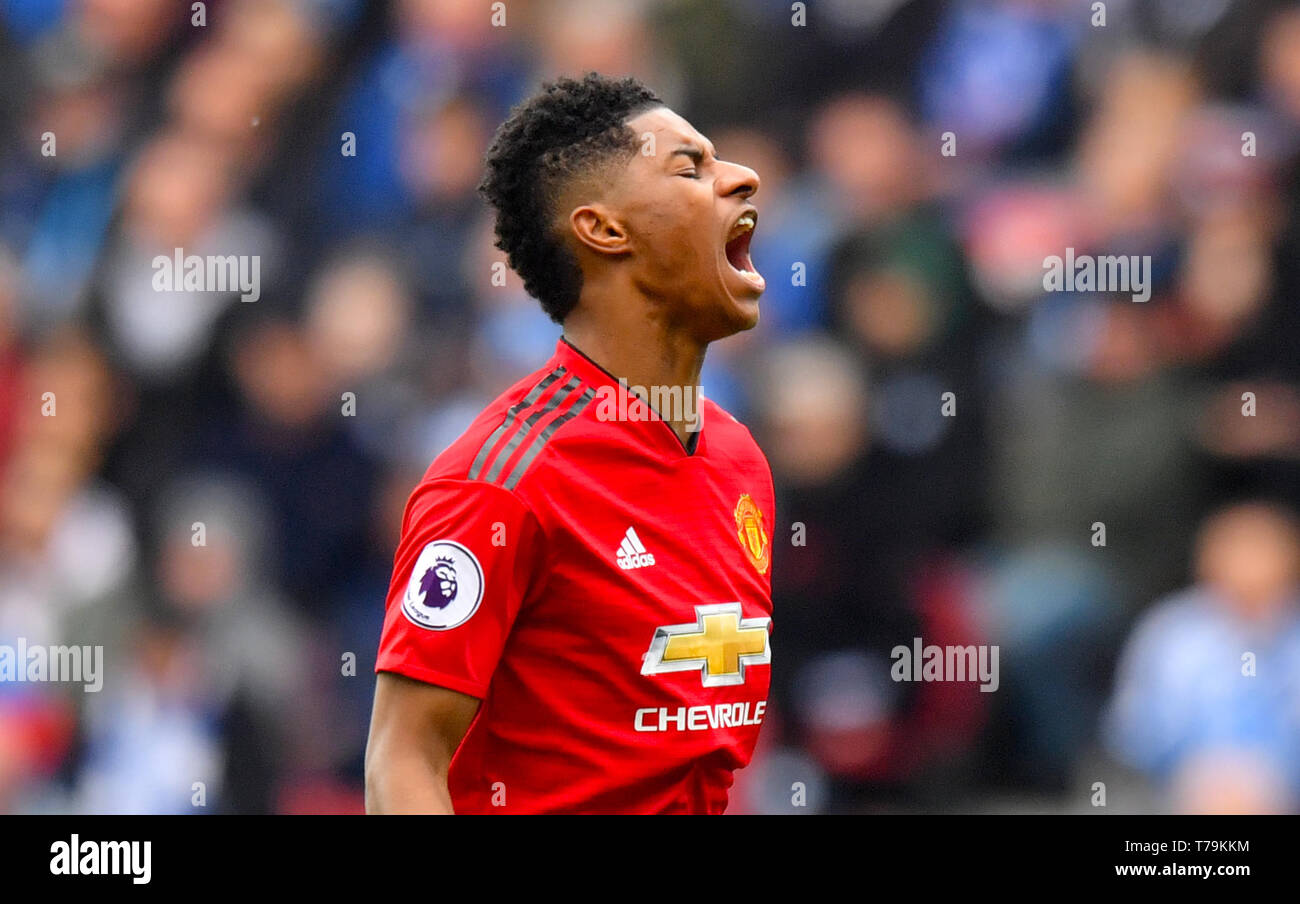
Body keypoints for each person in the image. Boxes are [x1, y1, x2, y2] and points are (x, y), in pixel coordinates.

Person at [365, 73, 775, 814]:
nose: (742, 177)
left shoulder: (741, 461)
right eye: (691, 168)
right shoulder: (500, 482)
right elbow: (403, 759)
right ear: (605, 230)